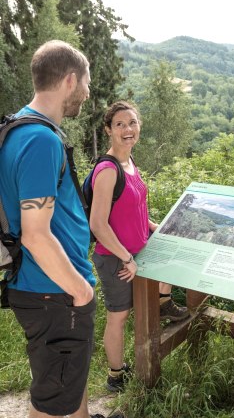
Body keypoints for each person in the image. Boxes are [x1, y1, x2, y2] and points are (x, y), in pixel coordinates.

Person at [0, 40, 122, 418]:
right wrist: (80, 290)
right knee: (51, 402)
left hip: (48, 289)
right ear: (70, 80)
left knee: (69, 380)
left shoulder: (19, 128)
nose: (87, 92)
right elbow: (36, 234)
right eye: (86, 83)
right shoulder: (40, 140)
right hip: (53, 292)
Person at [89, 100, 189, 393]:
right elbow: (98, 224)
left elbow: (136, 213)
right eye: (119, 124)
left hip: (137, 251)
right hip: (115, 258)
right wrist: (126, 258)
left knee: (171, 250)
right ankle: (115, 375)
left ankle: (162, 300)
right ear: (108, 130)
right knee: (119, 317)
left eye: (132, 123)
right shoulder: (108, 170)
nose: (127, 129)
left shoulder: (129, 163)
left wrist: (162, 230)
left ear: (139, 127)